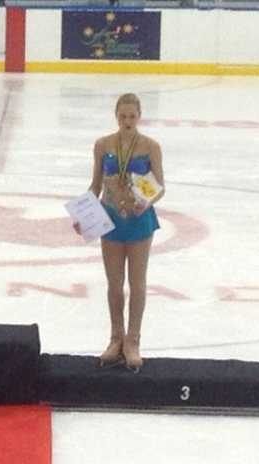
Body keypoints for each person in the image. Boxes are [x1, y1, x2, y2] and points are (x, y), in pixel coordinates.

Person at [76, 93, 164, 373]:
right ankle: (116, 339)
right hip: (110, 220)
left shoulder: (151, 147)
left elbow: (160, 185)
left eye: (132, 116)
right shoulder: (103, 145)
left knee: (137, 283)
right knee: (114, 284)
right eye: (123, 116)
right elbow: (95, 185)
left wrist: (146, 201)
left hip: (139, 221)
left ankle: (133, 341)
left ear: (139, 116)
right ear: (117, 116)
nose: (127, 121)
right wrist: (83, 215)